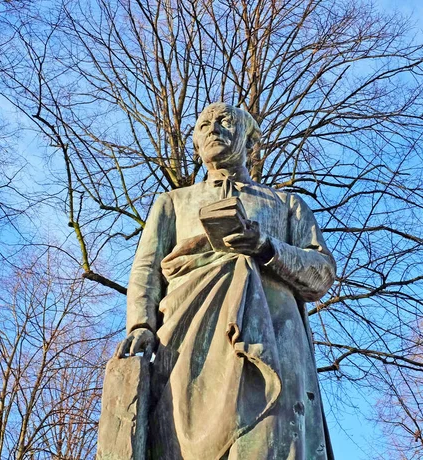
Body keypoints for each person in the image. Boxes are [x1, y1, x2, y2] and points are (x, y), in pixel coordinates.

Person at [115, 103, 336, 459]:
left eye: (225, 122)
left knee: (269, 440)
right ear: (197, 146)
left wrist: (267, 248)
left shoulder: (286, 204)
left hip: (274, 341)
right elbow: (146, 269)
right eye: (204, 125)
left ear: (251, 143)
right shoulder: (173, 203)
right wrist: (140, 323)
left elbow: (322, 273)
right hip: (188, 340)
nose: (213, 129)